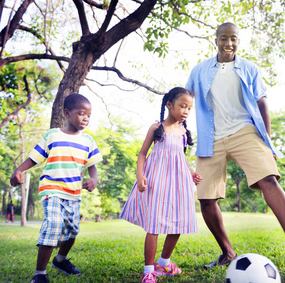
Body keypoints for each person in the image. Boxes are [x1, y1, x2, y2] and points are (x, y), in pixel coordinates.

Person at [185, 22, 285, 269]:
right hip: (211, 137)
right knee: (206, 199)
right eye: (223, 38)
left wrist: (268, 143)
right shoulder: (199, 70)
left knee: (269, 180)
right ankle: (227, 252)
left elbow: (262, 104)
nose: (228, 43)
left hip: (245, 131)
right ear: (216, 40)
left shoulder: (250, 68)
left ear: (239, 41)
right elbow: (186, 100)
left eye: (233, 38)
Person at [10, 93, 103, 283]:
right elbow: (34, 158)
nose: (86, 118)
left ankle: (60, 260)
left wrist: (93, 180)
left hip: (73, 193)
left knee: (72, 231)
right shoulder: (52, 135)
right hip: (51, 190)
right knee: (52, 225)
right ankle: (40, 274)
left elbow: (93, 167)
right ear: (68, 113)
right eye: (81, 114)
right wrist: (19, 170)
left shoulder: (88, 141)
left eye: (89, 115)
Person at [120, 87, 202, 283]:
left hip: (178, 183)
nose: (186, 111)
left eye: (190, 108)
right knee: (154, 224)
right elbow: (142, 154)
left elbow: (179, 157)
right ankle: (148, 271)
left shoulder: (183, 131)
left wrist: (190, 174)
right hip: (157, 181)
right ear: (169, 105)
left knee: (179, 222)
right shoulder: (156, 128)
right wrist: (140, 176)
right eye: (183, 106)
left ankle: (164, 263)